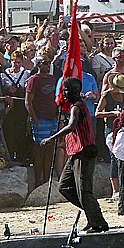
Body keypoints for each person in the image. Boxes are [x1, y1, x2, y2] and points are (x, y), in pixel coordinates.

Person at [41, 78, 109, 232]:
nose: (63, 94)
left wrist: (51, 138)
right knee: (64, 186)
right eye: (63, 90)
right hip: (74, 153)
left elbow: (71, 126)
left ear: (75, 92)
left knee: (84, 190)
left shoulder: (77, 107)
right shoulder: (73, 107)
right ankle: (92, 214)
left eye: (66, 90)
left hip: (85, 152)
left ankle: (98, 222)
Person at [25, 55, 58, 189]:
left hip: (52, 118)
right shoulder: (34, 80)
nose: (46, 65)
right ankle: (38, 181)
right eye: (44, 63)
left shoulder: (52, 78)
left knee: (50, 149)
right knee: (40, 150)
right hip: (40, 119)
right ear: (38, 64)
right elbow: (28, 102)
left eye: (48, 63)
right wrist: (35, 119)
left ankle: (46, 179)